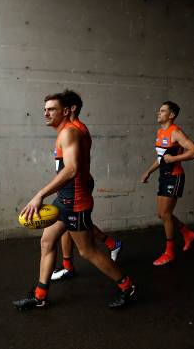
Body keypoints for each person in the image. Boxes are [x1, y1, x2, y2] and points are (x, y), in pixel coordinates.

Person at [12, 93, 136, 310]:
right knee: (47, 242)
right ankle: (40, 296)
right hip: (64, 199)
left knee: (88, 251)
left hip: (75, 203)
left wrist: (40, 194)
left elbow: (71, 169)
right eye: (45, 109)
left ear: (66, 111)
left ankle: (128, 287)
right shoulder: (68, 131)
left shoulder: (69, 132)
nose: (46, 113)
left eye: (52, 109)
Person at [50, 90, 123, 282]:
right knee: (71, 227)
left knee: (80, 235)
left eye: (59, 108)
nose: (52, 112)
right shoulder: (69, 129)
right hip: (71, 187)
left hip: (77, 187)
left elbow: (74, 167)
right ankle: (69, 266)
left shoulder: (75, 129)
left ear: (70, 109)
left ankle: (124, 281)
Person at [140, 101, 194, 266]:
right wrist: (148, 171)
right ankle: (186, 232)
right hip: (164, 175)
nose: (158, 113)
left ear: (171, 115)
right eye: (159, 110)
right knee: (162, 214)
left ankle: (169, 252)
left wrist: (174, 158)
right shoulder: (160, 132)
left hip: (175, 176)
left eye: (162, 111)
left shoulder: (176, 132)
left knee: (165, 214)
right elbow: (161, 157)